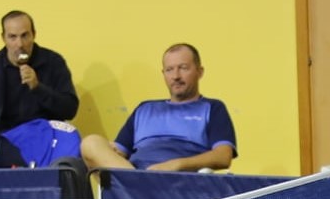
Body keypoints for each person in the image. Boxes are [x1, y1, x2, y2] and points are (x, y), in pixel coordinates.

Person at [80, 44, 238, 172]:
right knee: (90, 142)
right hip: (133, 176)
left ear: (200, 72)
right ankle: (138, 182)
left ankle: (137, 183)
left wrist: (176, 164)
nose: (176, 76)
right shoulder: (144, 109)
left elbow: (223, 156)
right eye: (169, 70)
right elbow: (119, 152)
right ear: (164, 74)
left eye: (183, 68)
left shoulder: (212, 107)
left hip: (178, 182)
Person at [0, 10, 80, 167]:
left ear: (34, 34)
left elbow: (70, 109)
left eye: (25, 36)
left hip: (48, 141)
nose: (20, 44)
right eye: (13, 37)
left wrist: (38, 88)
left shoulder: (53, 62)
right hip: (10, 143)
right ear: (3, 38)